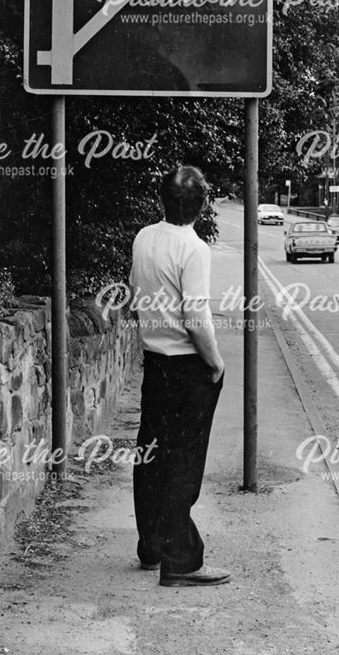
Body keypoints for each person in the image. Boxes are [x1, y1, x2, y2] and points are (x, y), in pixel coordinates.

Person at [129, 165, 230, 587]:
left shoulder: (144, 238)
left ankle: (151, 544)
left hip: (155, 362)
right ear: (203, 205)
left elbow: (136, 294)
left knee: (151, 454)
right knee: (183, 463)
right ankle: (182, 560)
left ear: (161, 200)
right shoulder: (194, 249)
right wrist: (216, 362)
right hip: (187, 365)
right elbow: (195, 318)